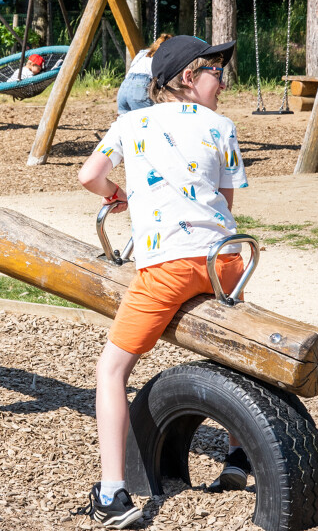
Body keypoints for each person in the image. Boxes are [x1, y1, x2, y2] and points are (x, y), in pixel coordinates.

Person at [75, 35, 248, 528]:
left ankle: (112, 493)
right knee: (229, 348)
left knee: (110, 371)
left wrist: (119, 195)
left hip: (167, 268)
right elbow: (226, 207)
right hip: (225, 262)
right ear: (189, 78)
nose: (223, 82)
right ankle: (238, 453)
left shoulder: (131, 122)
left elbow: (90, 176)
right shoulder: (222, 126)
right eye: (217, 71)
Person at [116, 32, 172, 115]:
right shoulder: (162, 56)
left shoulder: (142, 53)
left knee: (126, 123)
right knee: (147, 121)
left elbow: (132, 67)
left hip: (124, 87)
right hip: (140, 86)